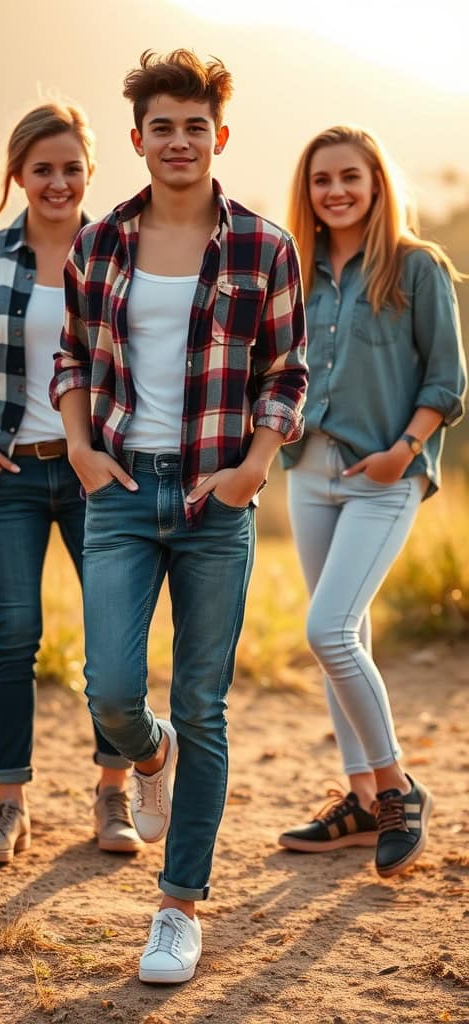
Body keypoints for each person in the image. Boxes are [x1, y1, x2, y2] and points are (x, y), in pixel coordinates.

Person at [50, 50, 307, 983]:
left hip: (213, 500)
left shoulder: (262, 247)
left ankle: (177, 907)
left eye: (196, 125)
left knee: (203, 704)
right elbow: (73, 359)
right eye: (163, 125)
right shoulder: (100, 244)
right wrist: (81, 449)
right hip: (118, 490)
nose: (180, 140)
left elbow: (288, 376)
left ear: (220, 137)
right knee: (111, 691)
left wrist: (251, 469)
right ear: (138, 140)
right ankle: (144, 755)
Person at [0, 103, 142, 864]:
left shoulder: (122, 255)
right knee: (14, 636)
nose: (58, 182)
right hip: (6, 473)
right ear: (17, 175)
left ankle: (111, 792)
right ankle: (8, 806)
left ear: (90, 171)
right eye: (42, 169)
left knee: (110, 639)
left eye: (71, 168)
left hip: (97, 477)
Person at [278, 125, 466, 877]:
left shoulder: (418, 268)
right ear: (309, 192)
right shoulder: (296, 272)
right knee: (341, 640)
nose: (337, 191)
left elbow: (448, 381)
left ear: (377, 181)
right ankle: (358, 802)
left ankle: (396, 789)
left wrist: (404, 451)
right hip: (309, 472)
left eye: (350, 176)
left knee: (327, 630)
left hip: (387, 474)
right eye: (322, 179)